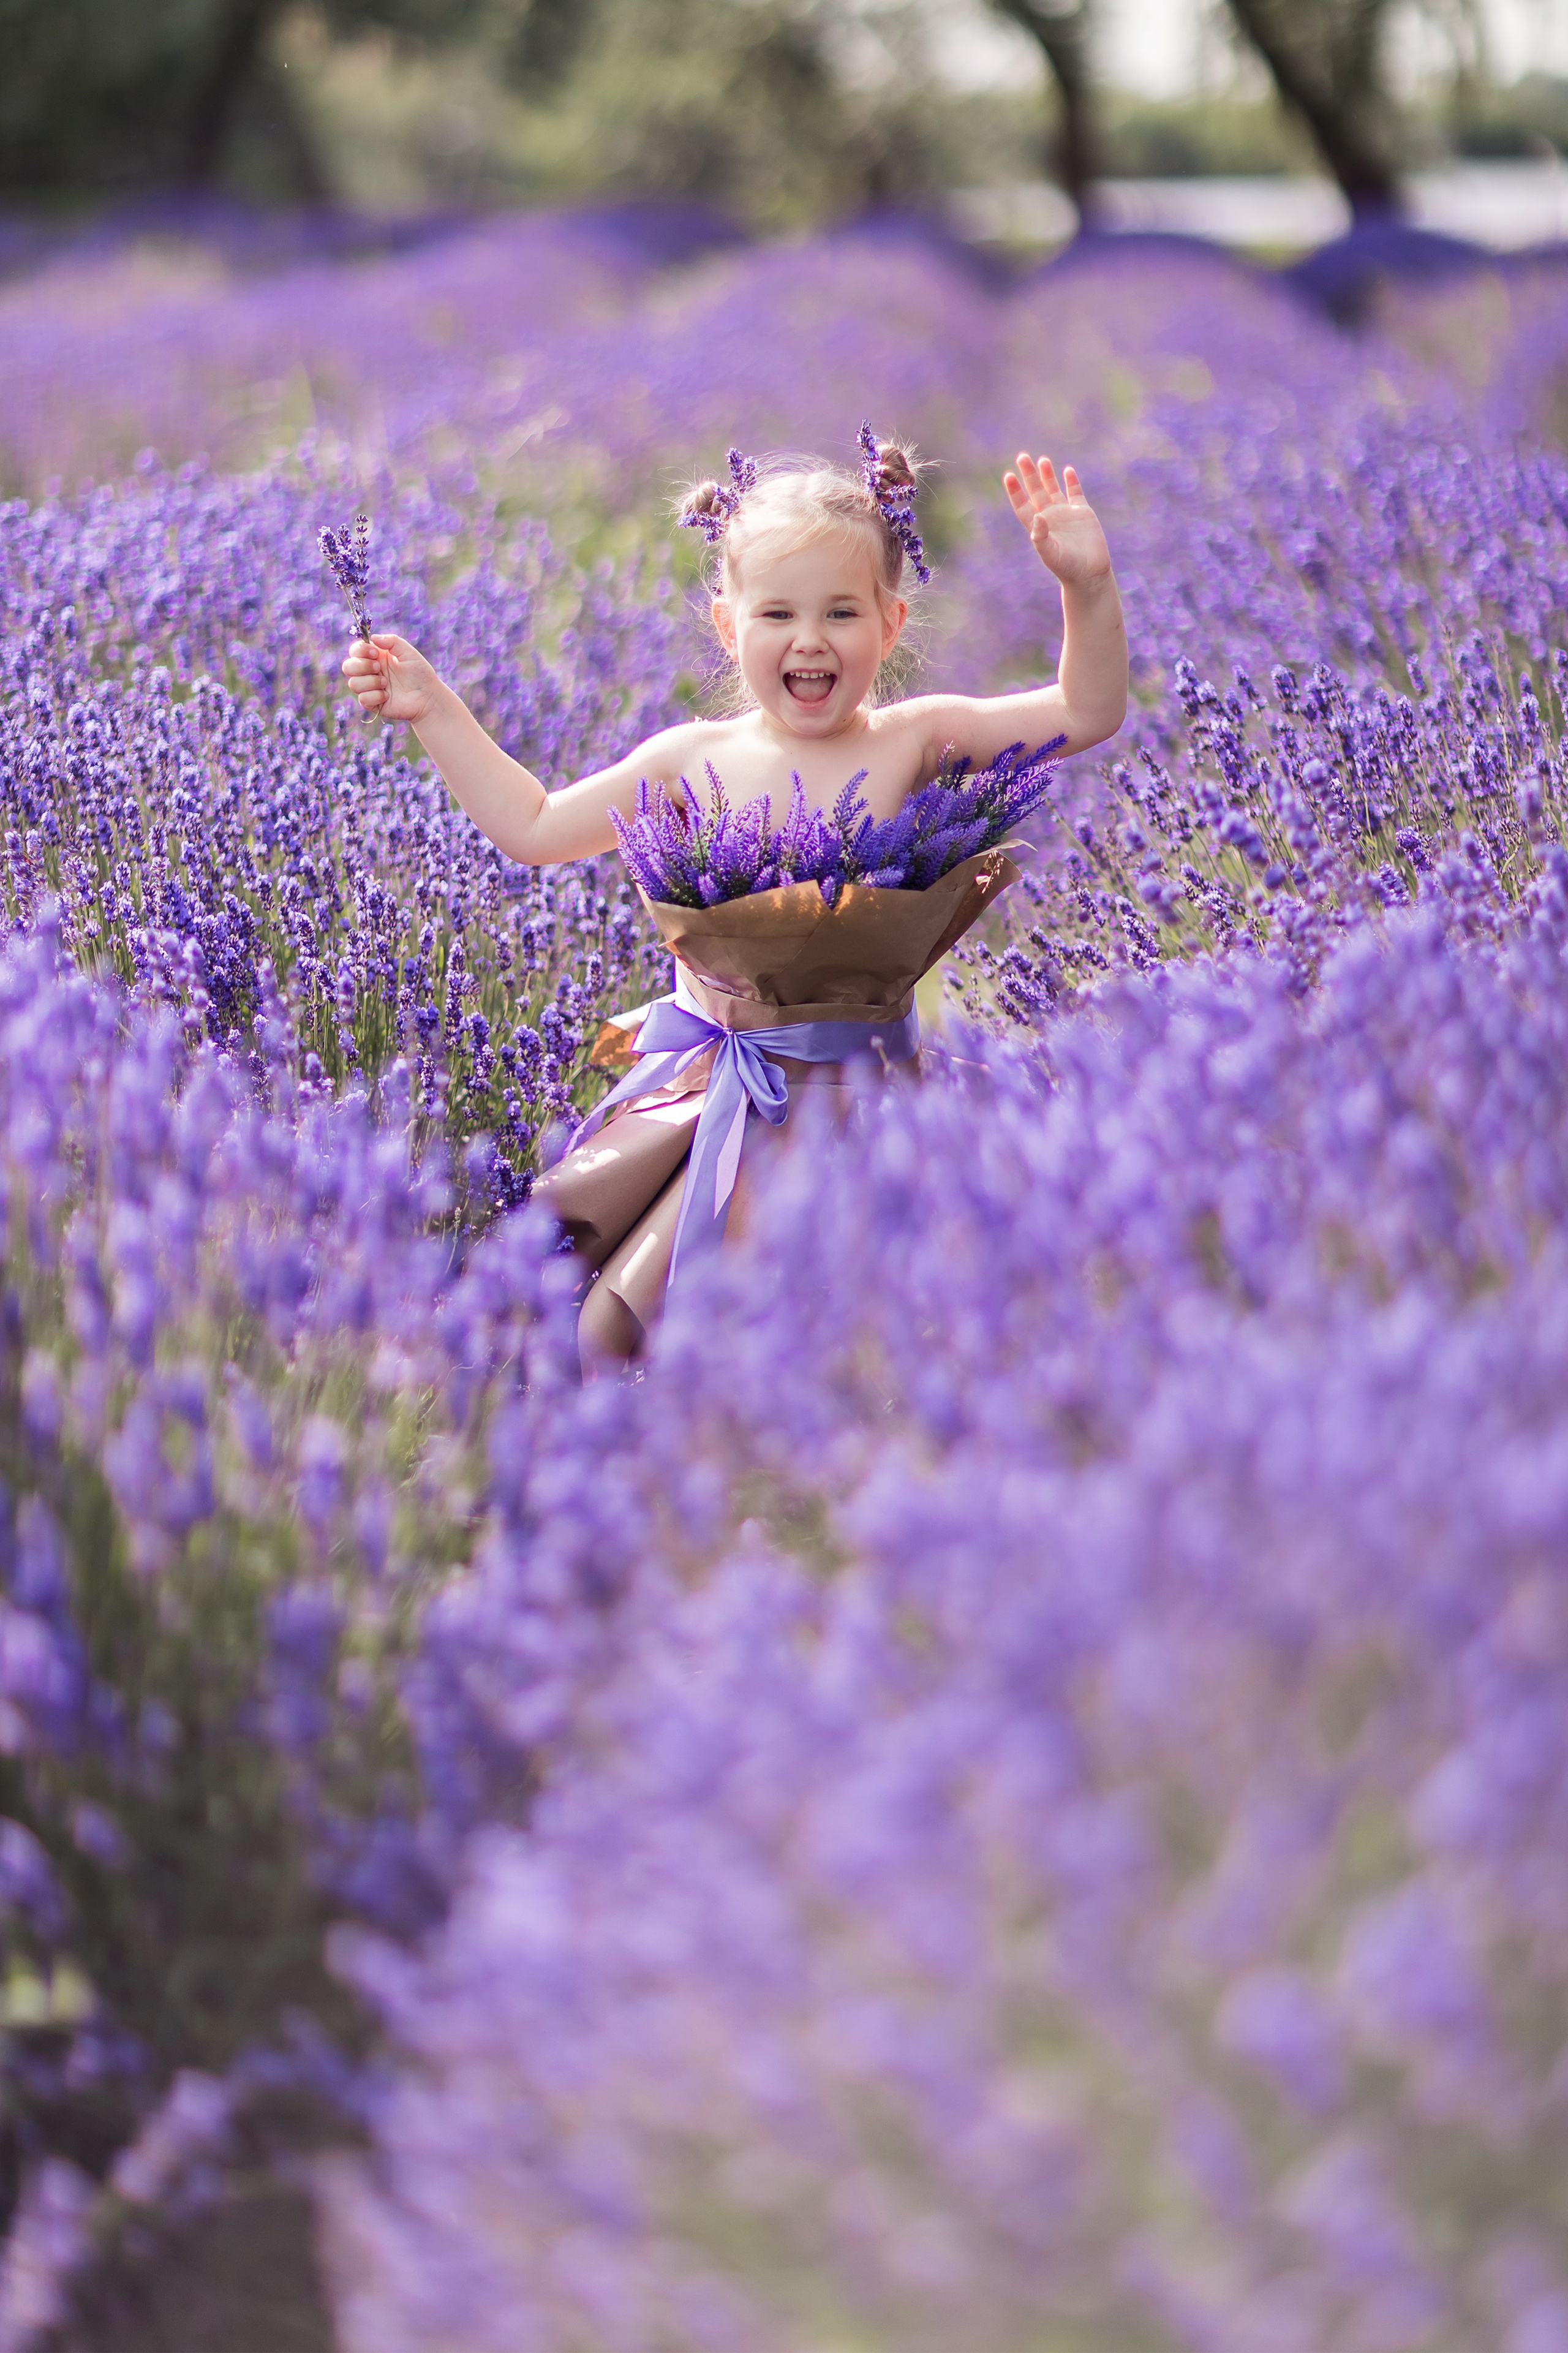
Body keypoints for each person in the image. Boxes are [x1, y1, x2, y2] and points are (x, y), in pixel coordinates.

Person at [342, 431, 1128, 1369]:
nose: (810, 638)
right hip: (725, 1103)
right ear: (728, 625)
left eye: (842, 611)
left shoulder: (917, 738)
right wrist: (434, 708)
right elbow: (537, 825)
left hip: (864, 1104)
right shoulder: (692, 760)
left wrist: (1086, 586)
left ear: (891, 625)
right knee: (631, 1329)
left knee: (872, 1340)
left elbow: (1085, 712)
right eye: (778, 612)